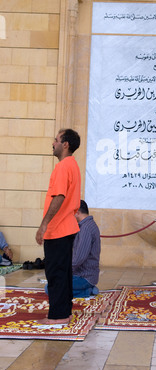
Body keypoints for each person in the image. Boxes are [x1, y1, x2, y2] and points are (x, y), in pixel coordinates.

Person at [36, 129, 81, 325]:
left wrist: (44, 224)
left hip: (59, 228)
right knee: (63, 272)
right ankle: (64, 312)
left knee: (55, 273)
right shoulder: (72, 165)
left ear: (65, 145)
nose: (52, 143)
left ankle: (58, 316)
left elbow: (60, 196)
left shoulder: (63, 167)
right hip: (66, 227)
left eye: (56, 140)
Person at [72, 200, 101, 298]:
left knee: (51, 288)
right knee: (55, 284)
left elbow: (79, 257)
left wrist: (65, 270)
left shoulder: (86, 229)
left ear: (77, 213)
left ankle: (87, 291)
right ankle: (88, 289)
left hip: (84, 277)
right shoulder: (88, 225)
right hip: (87, 275)